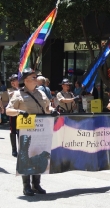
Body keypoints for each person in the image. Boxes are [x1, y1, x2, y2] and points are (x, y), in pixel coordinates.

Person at [6, 68, 59, 196]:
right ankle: (26, 186)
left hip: (41, 130)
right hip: (26, 130)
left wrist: (52, 110)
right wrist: (19, 112)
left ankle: (36, 184)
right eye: (34, 77)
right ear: (26, 80)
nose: (36, 79)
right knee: (25, 156)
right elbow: (8, 110)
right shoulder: (18, 95)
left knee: (39, 155)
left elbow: (47, 107)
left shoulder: (41, 94)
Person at [7, 74, 20, 157]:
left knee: (21, 131)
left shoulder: (22, 89)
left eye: (14, 80)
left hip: (21, 113)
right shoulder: (10, 90)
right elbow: (13, 94)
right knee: (13, 131)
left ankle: (21, 149)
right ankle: (14, 150)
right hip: (13, 113)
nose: (12, 82)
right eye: (11, 81)